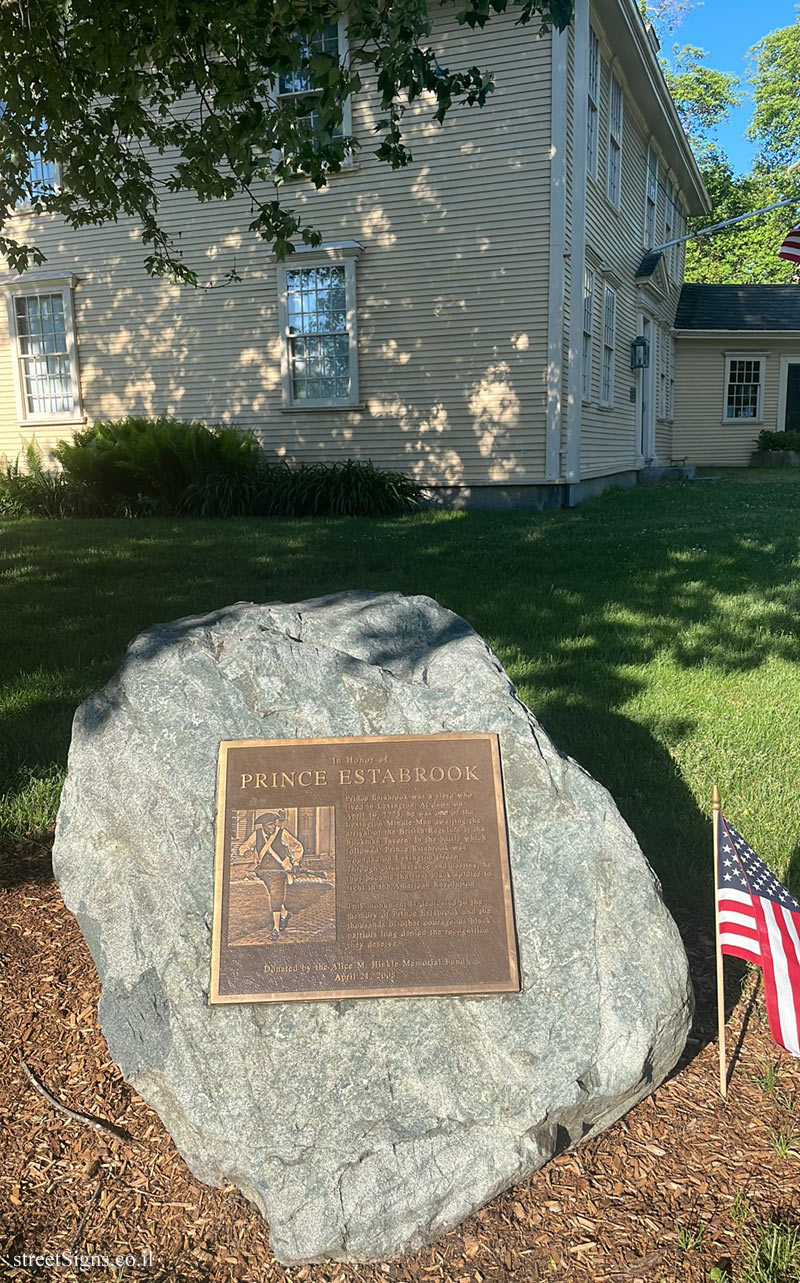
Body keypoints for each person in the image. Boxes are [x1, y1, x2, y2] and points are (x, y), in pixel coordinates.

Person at [239, 810, 304, 941]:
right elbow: (244, 846)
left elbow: (296, 846)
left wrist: (296, 863)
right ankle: (285, 914)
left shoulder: (282, 833)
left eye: (273, 824)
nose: (272, 827)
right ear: (263, 825)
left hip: (280, 871)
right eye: (269, 825)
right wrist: (245, 851)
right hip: (264, 872)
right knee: (275, 896)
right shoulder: (256, 834)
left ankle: (275, 929)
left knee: (275, 897)